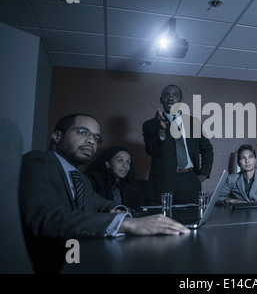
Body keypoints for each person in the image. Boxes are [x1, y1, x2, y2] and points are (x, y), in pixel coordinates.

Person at [19, 113, 190, 273]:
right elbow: (46, 218)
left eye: (95, 138)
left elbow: (102, 204)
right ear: (57, 136)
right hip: (48, 263)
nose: (91, 141)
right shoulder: (38, 161)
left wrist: (122, 211)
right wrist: (127, 224)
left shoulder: (80, 178)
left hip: (78, 255)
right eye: (82, 132)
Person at [142, 84, 214, 205]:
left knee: (191, 219)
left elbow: (207, 150)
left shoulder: (194, 123)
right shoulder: (151, 124)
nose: (171, 98)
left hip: (190, 181)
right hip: (162, 183)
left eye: (175, 96)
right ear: (161, 100)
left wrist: (203, 174)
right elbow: (151, 151)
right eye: (167, 95)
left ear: (181, 100)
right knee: (163, 222)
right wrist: (161, 131)